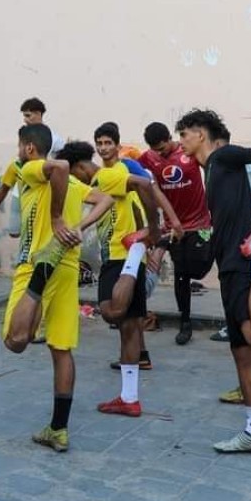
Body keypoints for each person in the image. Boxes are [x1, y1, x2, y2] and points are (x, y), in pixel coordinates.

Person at [176, 109, 251, 454]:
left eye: (184, 134)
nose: (181, 141)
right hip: (229, 263)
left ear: (201, 134)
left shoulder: (223, 155)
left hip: (244, 260)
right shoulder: (210, 171)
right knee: (241, 352)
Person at [1, 124, 108, 453]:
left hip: (38, 262)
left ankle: (37, 282)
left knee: (15, 341)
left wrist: (59, 219)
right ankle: (58, 430)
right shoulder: (74, 184)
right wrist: (80, 226)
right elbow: (104, 199)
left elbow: (58, 166)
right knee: (61, 349)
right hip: (67, 268)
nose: (19, 152)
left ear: (29, 148)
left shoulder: (31, 170)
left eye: (20, 147)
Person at [58, 140, 161, 418]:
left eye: (72, 177)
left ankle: (137, 248)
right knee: (129, 328)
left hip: (122, 256)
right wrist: (149, 229)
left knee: (111, 311)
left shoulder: (104, 176)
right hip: (125, 257)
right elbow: (138, 197)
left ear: (79, 167)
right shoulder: (104, 180)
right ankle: (129, 399)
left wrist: (150, 231)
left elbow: (144, 183)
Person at [93, 122, 182, 368]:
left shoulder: (127, 166)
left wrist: (166, 223)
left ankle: (135, 366)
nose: (103, 148)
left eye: (108, 143)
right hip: (117, 246)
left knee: (120, 313)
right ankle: (140, 357)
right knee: (130, 316)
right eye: (99, 143)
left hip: (127, 249)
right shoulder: (102, 175)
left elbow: (151, 191)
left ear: (117, 145)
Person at [139, 121, 215, 346]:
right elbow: (131, 171)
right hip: (173, 228)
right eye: (156, 149)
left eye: (163, 147)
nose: (160, 152)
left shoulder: (188, 152)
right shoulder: (149, 158)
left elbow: (212, 168)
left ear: (170, 139)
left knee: (198, 270)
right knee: (181, 274)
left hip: (200, 224)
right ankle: (185, 322)